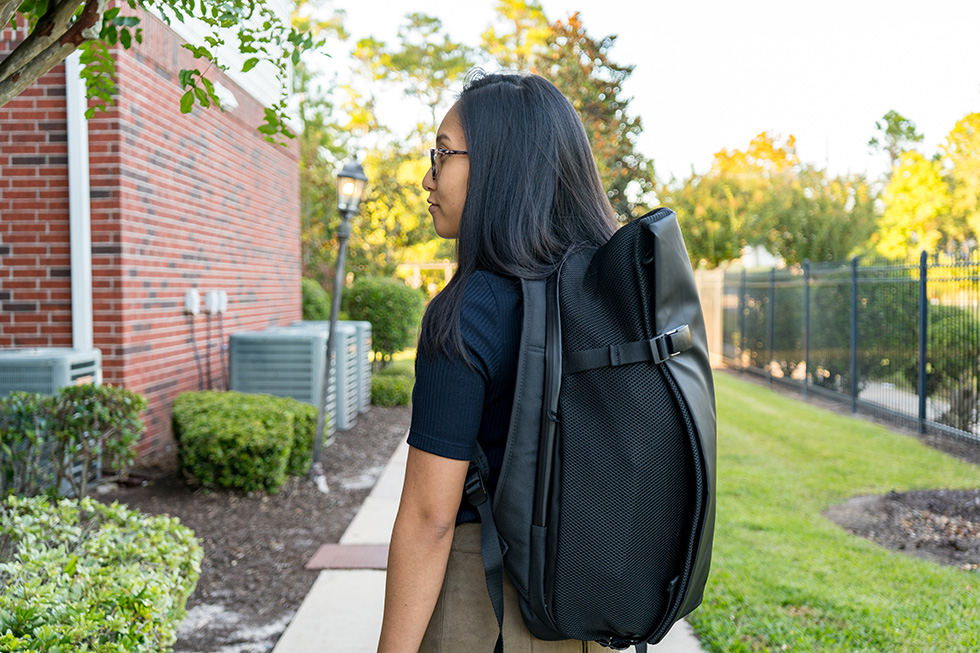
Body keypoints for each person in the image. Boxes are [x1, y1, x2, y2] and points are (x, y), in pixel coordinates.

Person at [377, 70, 618, 653]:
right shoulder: (609, 291)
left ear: (498, 165)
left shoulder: (467, 313)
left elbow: (430, 519)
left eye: (442, 154)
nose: (427, 177)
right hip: (590, 600)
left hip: (483, 604)